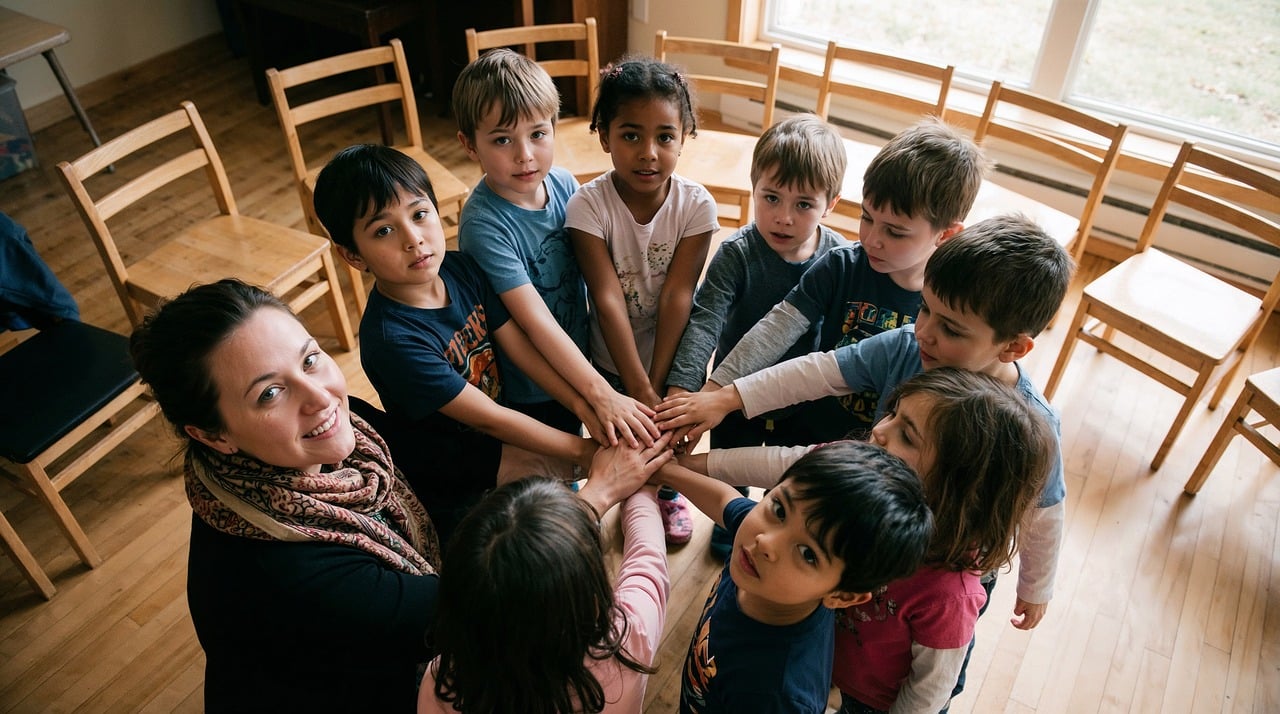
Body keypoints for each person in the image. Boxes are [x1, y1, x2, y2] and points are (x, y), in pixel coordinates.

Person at [656, 214, 1073, 697]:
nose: (925, 333)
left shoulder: (1032, 428)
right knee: (845, 645)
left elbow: (1045, 514)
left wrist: (1035, 588)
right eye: (926, 309)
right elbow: (815, 377)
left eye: (952, 329)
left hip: (934, 583)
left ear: (1013, 346)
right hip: (862, 561)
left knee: (908, 677)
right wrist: (725, 399)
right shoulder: (908, 347)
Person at [128, 278, 442, 712]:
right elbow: (468, 613)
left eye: (310, 360)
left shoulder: (326, 438)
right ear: (213, 435)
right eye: (270, 393)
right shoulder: (288, 572)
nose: (321, 397)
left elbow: (444, 461)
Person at [684, 368, 1055, 713]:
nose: (879, 430)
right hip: (826, 662)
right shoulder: (847, 495)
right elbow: (765, 479)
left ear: (957, 488)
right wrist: (677, 467)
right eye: (893, 413)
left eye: (906, 435)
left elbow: (926, 693)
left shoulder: (948, 595)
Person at [313, 144, 601, 539]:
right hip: (459, 473)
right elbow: (488, 417)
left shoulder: (461, 268)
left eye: (419, 214)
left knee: (564, 502)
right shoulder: (391, 339)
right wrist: (585, 452)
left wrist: (586, 407)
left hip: (499, 435)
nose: (413, 239)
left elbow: (518, 347)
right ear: (354, 256)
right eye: (384, 230)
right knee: (529, 540)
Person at [671, 118, 987, 446]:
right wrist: (711, 394)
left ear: (946, 235)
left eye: (893, 231)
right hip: (804, 425)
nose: (870, 239)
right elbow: (776, 327)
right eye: (866, 218)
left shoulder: (948, 304)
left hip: (874, 450)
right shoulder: (840, 264)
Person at [661, 112, 849, 557]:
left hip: (801, 399)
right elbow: (704, 321)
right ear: (753, 186)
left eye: (804, 204)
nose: (783, 218)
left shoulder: (839, 258)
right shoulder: (737, 253)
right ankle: (729, 528)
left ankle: (773, 531)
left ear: (832, 204)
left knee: (787, 480)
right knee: (728, 468)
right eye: (771, 198)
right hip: (731, 399)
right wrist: (683, 395)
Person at [452, 48, 658, 448]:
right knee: (555, 468)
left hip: (583, 360)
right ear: (469, 145)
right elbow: (533, 322)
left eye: (537, 134)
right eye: (502, 140)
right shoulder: (483, 224)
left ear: (554, 127)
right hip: (533, 386)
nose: (524, 155)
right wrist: (600, 393)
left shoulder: (564, 184)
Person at [656, 441, 934, 714]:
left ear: (841, 596)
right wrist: (665, 470)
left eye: (808, 554)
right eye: (779, 509)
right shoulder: (758, 548)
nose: (766, 542)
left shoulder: (780, 695)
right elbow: (724, 500)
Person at [566, 55, 718, 545]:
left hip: (671, 363)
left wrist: (655, 386)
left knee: (666, 438)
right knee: (617, 437)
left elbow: (679, 295)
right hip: (610, 360)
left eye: (665, 137)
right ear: (605, 135)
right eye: (630, 135)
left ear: (684, 135)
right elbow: (606, 297)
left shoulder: (696, 206)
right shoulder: (587, 206)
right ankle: (619, 493)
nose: (648, 152)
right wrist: (633, 386)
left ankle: (668, 489)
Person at [420, 473, 672, 713]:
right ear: (593, 602)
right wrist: (644, 484)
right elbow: (647, 557)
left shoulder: (444, 687)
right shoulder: (628, 641)